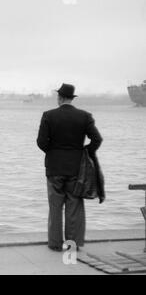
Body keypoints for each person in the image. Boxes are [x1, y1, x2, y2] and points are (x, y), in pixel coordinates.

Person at [36, 83, 103, 251]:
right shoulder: (84, 116)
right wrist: (84, 152)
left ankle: (55, 244)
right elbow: (97, 139)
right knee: (74, 205)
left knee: (55, 207)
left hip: (54, 168)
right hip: (76, 169)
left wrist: (53, 152)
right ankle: (72, 245)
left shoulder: (48, 116)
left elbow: (41, 142)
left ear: (59, 98)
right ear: (71, 99)